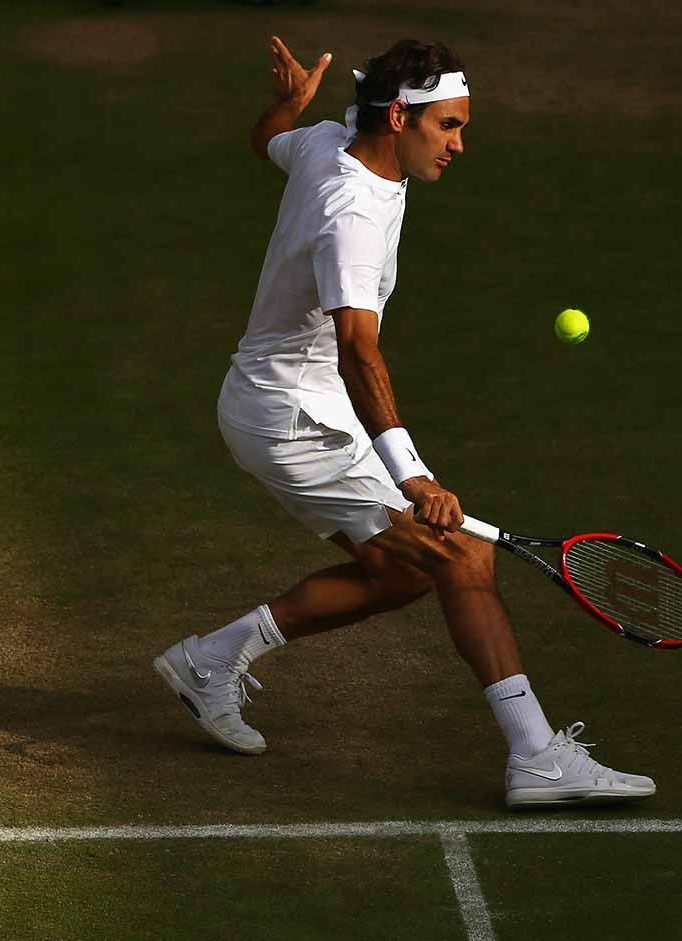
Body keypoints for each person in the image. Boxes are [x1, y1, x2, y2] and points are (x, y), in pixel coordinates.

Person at [152, 37, 654, 808]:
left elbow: (266, 142)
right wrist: (411, 472)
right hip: (295, 416)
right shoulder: (352, 211)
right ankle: (536, 756)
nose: (459, 144)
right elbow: (359, 351)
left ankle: (212, 659)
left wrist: (291, 100)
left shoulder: (326, 140)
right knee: (461, 559)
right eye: (448, 126)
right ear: (399, 115)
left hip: (285, 401)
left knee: (403, 575)